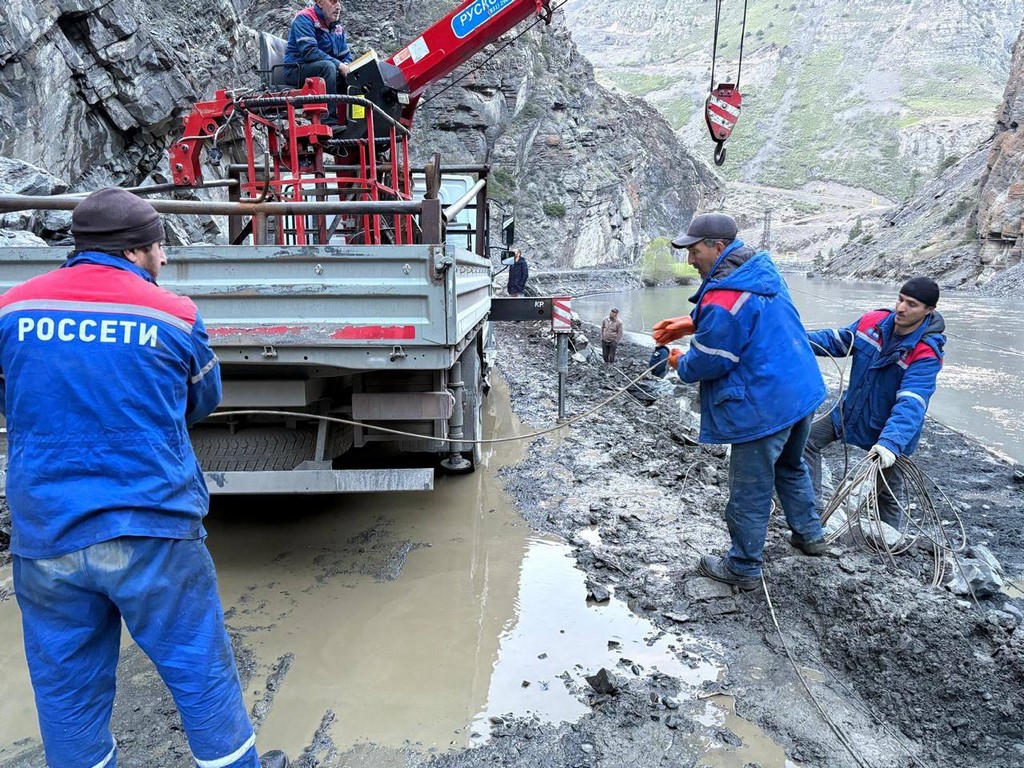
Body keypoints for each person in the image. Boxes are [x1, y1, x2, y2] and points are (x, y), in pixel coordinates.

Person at [0, 188, 287, 768]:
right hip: (152, 526)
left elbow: (11, 399)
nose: (163, 261)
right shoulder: (173, 314)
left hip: (47, 531)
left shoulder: (10, 310)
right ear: (139, 249)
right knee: (199, 669)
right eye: (159, 249)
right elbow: (199, 400)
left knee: (66, 691)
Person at [657, 213, 827, 590]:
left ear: (717, 247)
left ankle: (743, 566)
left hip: (764, 404)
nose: (690, 260)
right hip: (800, 392)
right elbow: (749, 318)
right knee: (791, 465)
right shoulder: (761, 270)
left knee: (750, 486)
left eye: (695, 250)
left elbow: (711, 360)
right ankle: (810, 535)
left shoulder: (723, 296)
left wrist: (680, 362)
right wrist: (693, 321)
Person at [803, 277, 945, 530]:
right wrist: (797, 337)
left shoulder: (926, 353)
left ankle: (887, 541)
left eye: (911, 304)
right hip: (850, 413)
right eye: (900, 299)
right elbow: (837, 340)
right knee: (806, 441)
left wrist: (890, 443)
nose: (901, 308)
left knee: (887, 493)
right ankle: (811, 514)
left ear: (929, 311)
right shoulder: (873, 322)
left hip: (889, 429)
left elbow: (912, 401)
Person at [284, 0, 355, 126]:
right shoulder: (304, 18)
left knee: (351, 76)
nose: (338, 6)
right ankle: (329, 122)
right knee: (328, 67)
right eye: (333, 1)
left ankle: (351, 123)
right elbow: (309, 52)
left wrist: (347, 66)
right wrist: (339, 65)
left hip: (323, 70)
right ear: (320, 2)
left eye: (339, 2)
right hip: (296, 70)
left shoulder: (337, 29)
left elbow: (346, 56)